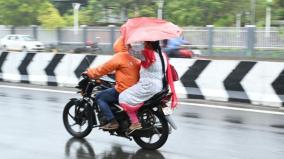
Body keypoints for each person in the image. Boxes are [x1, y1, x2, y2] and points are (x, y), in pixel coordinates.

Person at [119, 41, 173, 134]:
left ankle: (135, 122)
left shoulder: (148, 54)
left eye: (145, 43)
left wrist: (128, 43)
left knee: (123, 97)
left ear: (149, 44)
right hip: (160, 85)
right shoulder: (162, 54)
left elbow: (132, 52)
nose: (144, 44)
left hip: (148, 86)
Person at [86, 36, 140, 130]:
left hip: (124, 90)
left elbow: (103, 69)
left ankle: (113, 122)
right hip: (135, 89)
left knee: (100, 97)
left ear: (117, 46)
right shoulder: (134, 56)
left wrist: (90, 73)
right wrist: (115, 72)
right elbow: (127, 69)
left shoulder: (120, 56)